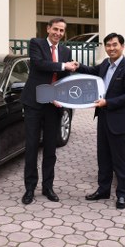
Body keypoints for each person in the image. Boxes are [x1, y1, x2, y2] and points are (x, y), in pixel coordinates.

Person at [76, 33, 125, 209]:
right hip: (103, 118)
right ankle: (103, 190)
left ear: (122, 46)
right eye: (108, 45)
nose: (111, 48)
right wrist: (78, 66)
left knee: (119, 160)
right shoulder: (105, 64)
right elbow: (92, 71)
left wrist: (108, 102)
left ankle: (122, 194)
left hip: (118, 121)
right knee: (103, 157)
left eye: (114, 45)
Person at [20, 17, 78, 205]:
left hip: (54, 105)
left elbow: (64, 78)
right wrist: (63, 65)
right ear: (48, 29)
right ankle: (29, 188)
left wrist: (65, 92)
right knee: (31, 146)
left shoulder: (66, 51)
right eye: (55, 29)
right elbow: (39, 64)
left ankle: (48, 187)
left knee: (51, 148)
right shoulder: (36, 44)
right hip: (35, 102)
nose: (58, 33)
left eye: (61, 31)